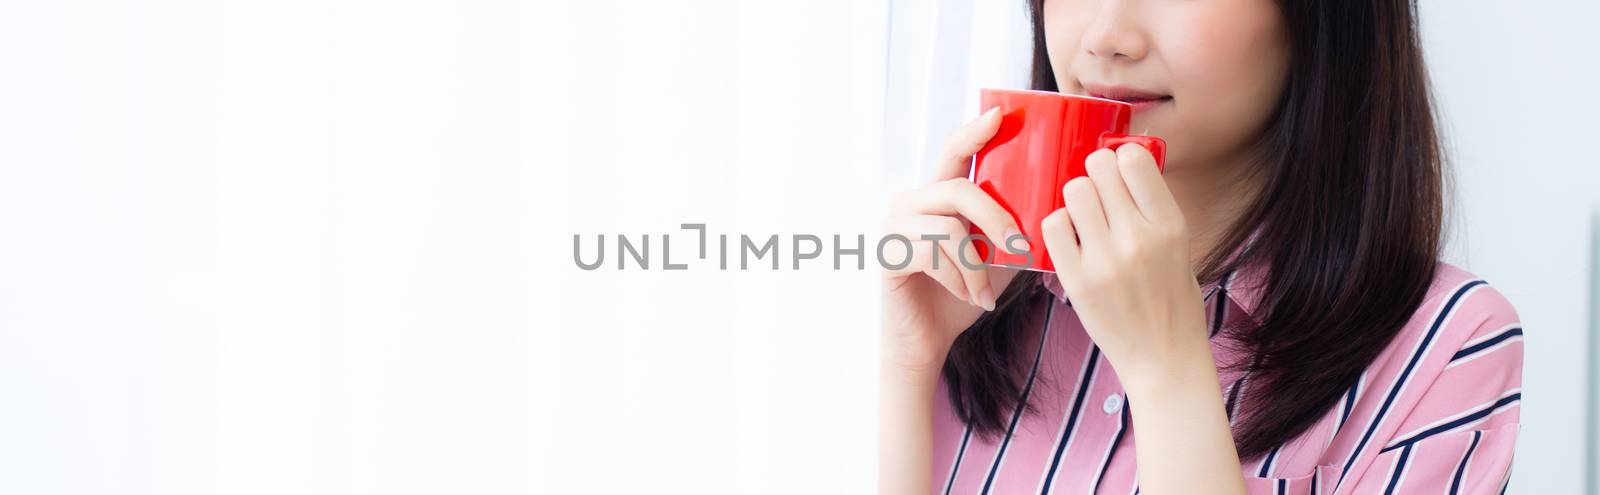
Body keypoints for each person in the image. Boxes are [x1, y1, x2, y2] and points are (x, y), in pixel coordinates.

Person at [879, 1, 1523, 493]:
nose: (1107, 36)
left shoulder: (1448, 345)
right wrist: (907, 363)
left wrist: (1168, 376)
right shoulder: (971, 293)